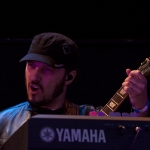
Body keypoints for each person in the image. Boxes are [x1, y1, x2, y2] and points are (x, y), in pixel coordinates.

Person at [0, 32, 149, 147]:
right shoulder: (4, 122)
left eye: (46, 70)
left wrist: (141, 107)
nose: (34, 77)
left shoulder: (90, 118)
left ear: (69, 77)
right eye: (31, 65)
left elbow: (136, 142)